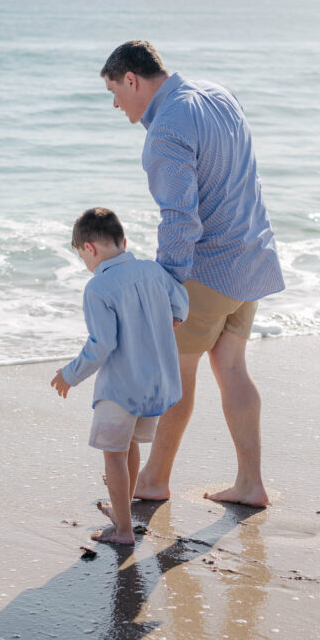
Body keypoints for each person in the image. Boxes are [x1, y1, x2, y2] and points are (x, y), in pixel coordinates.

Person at [101, 40, 285, 508]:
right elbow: (249, 177)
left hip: (207, 269)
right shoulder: (218, 94)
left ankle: (153, 481)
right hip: (252, 256)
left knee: (175, 376)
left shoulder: (165, 130)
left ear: (131, 79)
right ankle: (250, 483)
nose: (115, 104)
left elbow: (180, 220)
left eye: (114, 91)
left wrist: (167, 289)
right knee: (233, 369)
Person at [50, 207, 189, 545]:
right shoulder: (153, 271)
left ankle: (123, 530)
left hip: (121, 389)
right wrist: (168, 319)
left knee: (113, 455)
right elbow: (182, 306)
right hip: (154, 384)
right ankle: (123, 514)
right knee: (128, 447)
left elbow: (102, 344)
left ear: (89, 249)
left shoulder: (98, 288)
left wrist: (70, 375)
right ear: (123, 241)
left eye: (82, 256)